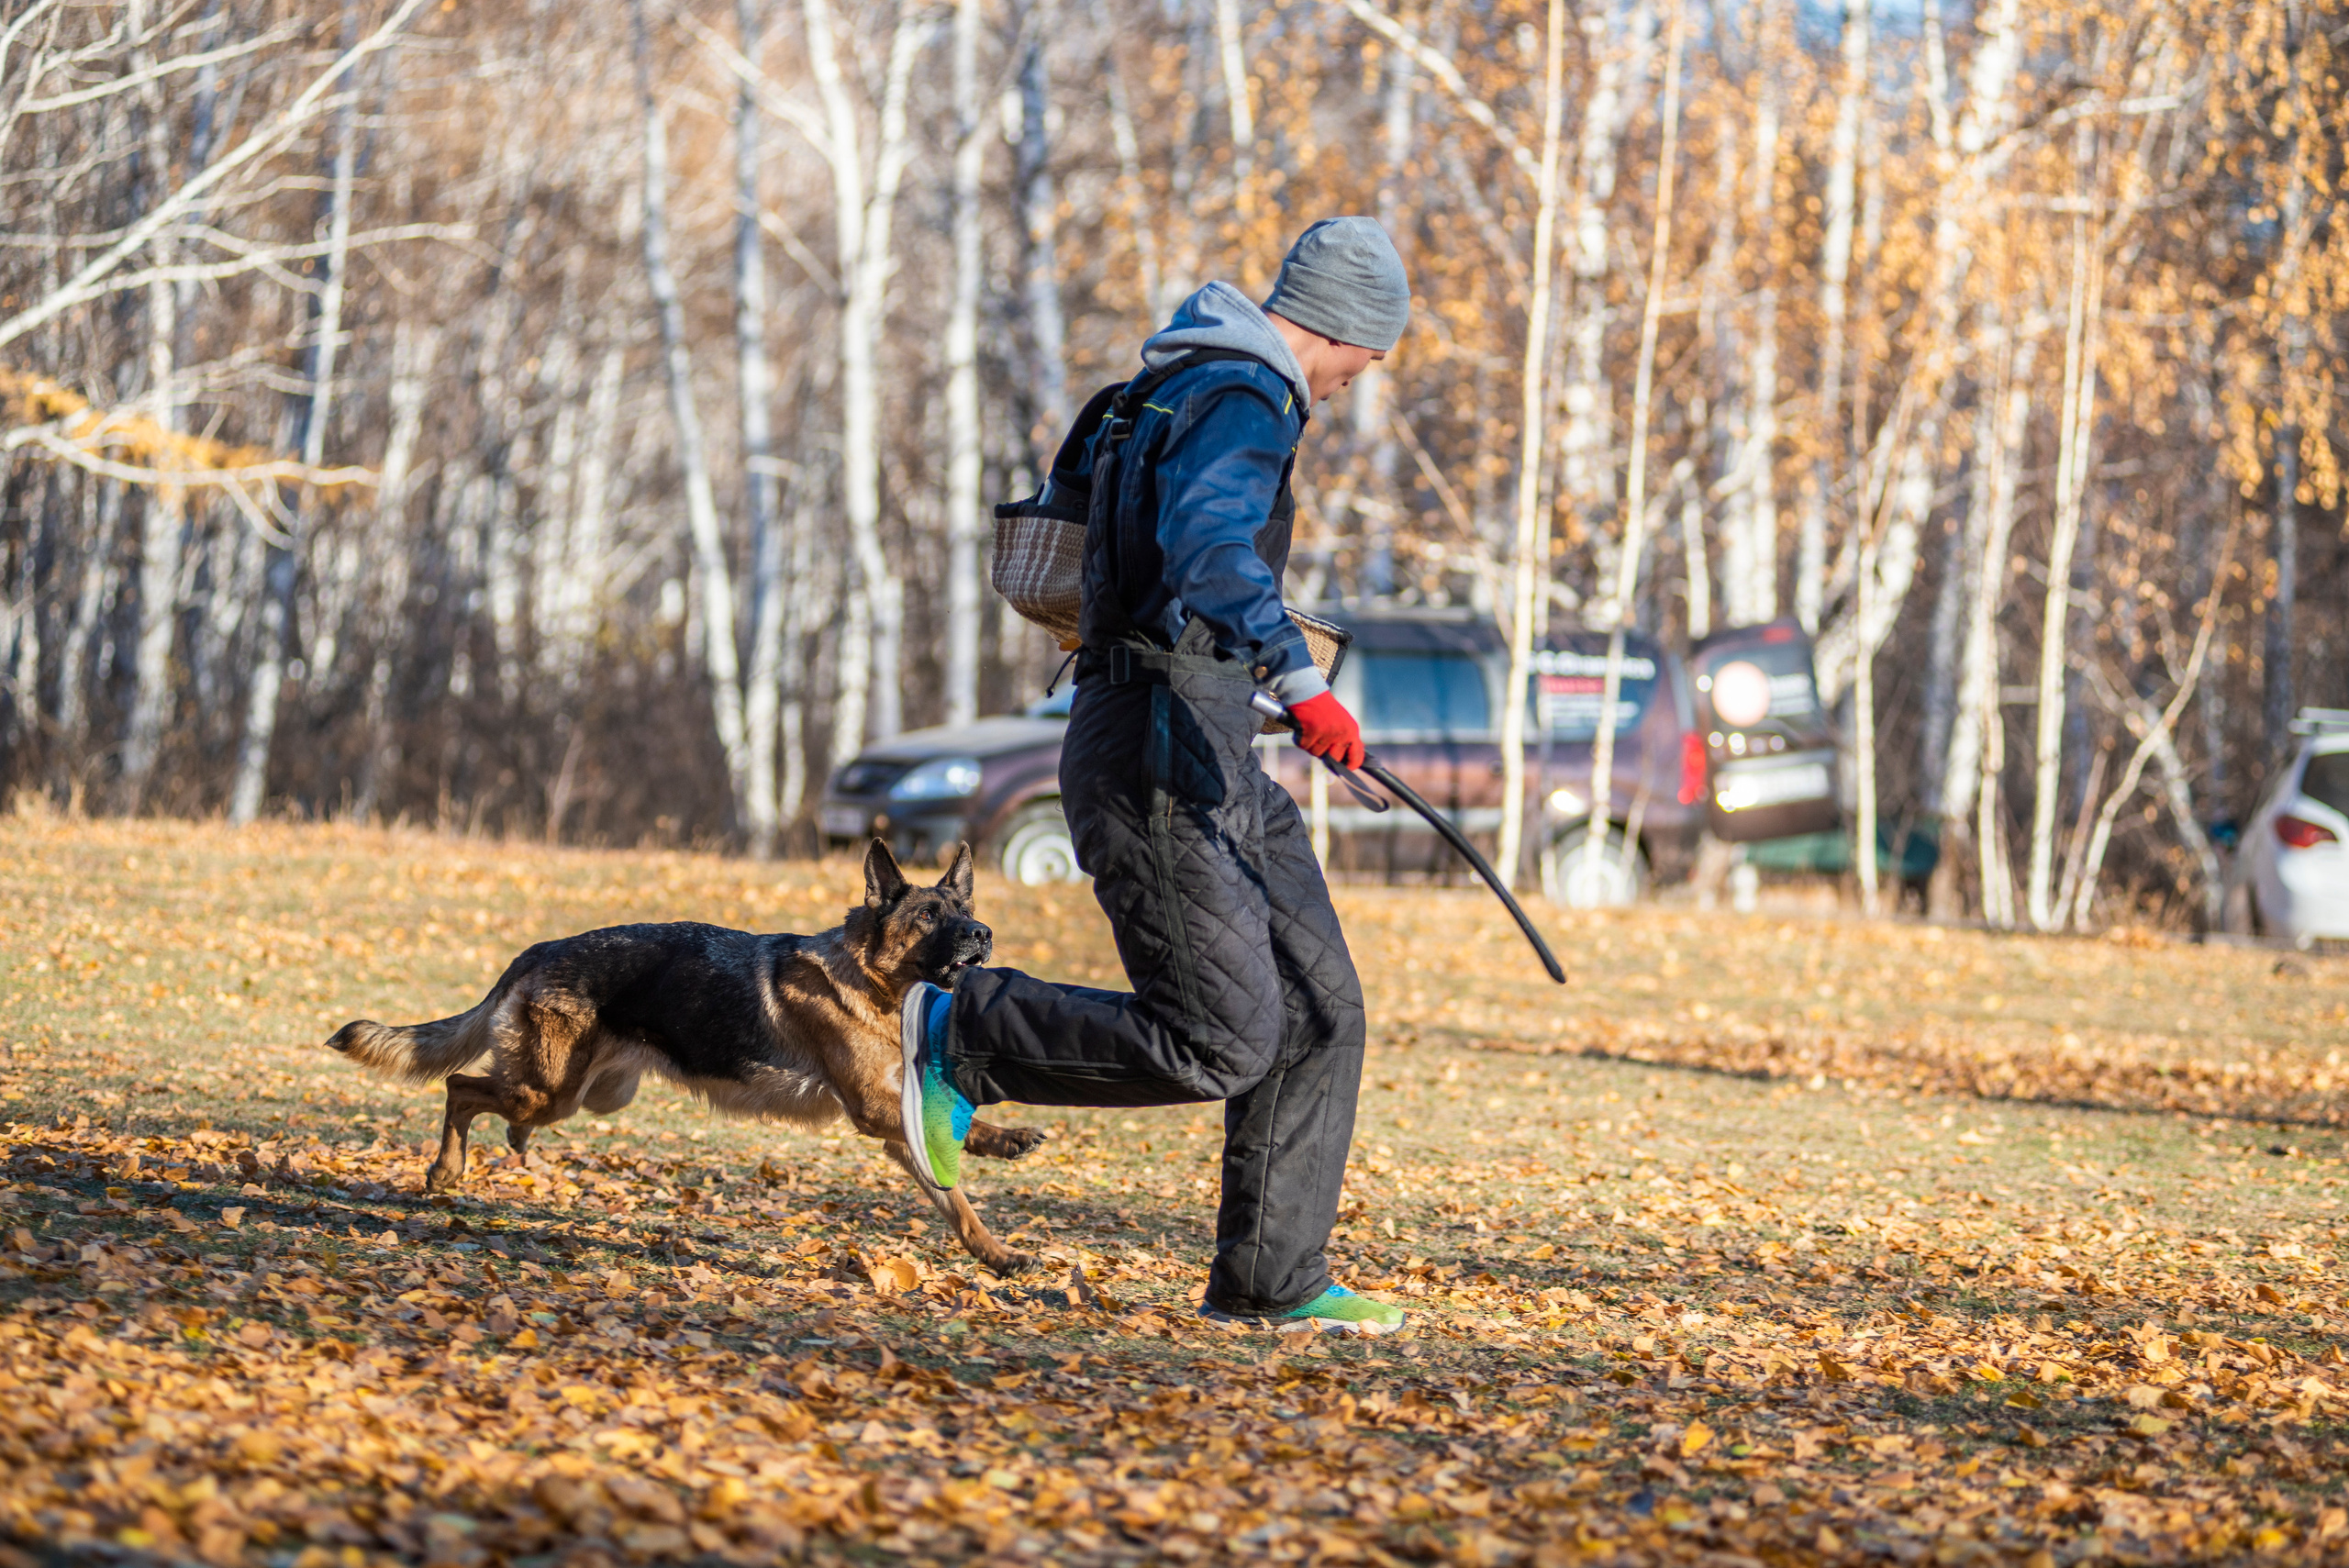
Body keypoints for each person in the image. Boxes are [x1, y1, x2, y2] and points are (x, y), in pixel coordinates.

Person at [902, 217, 1409, 1333]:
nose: (1356, 381)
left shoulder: (1157, 390)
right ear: (1343, 329)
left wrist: (1239, 676)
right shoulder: (1243, 395)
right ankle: (964, 1032)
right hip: (1156, 751)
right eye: (1367, 358)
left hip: (1202, 735)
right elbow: (1210, 547)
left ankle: (1271, 1279)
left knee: (1321, 1008)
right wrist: (1299, 679)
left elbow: (1117, 552)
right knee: (1221, 1036)